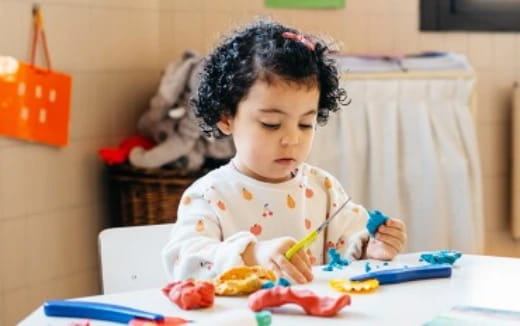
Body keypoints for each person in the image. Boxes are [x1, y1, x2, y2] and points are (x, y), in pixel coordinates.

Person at [162, 19, 407, 284]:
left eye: (305, 124)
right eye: (271, 124)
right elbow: (184, 262)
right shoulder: (209, 195)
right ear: (226, 117)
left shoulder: (324, 189)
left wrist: (372, 248)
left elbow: (349, 249)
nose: (292, 139)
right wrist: (252, 254)